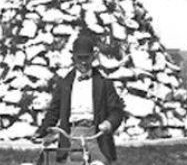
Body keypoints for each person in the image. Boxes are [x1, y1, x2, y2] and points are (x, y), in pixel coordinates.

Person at [34, 30, 125, 165]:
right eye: (79, 58)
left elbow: (117, 111)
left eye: (86, 58)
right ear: (73, 58)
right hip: (71, 134)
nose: (83, 63)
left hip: (96, 135)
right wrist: (42, 131)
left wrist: (109, 123)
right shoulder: (64, 84)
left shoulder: (104, 83)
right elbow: (54, 111)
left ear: (93, 57)